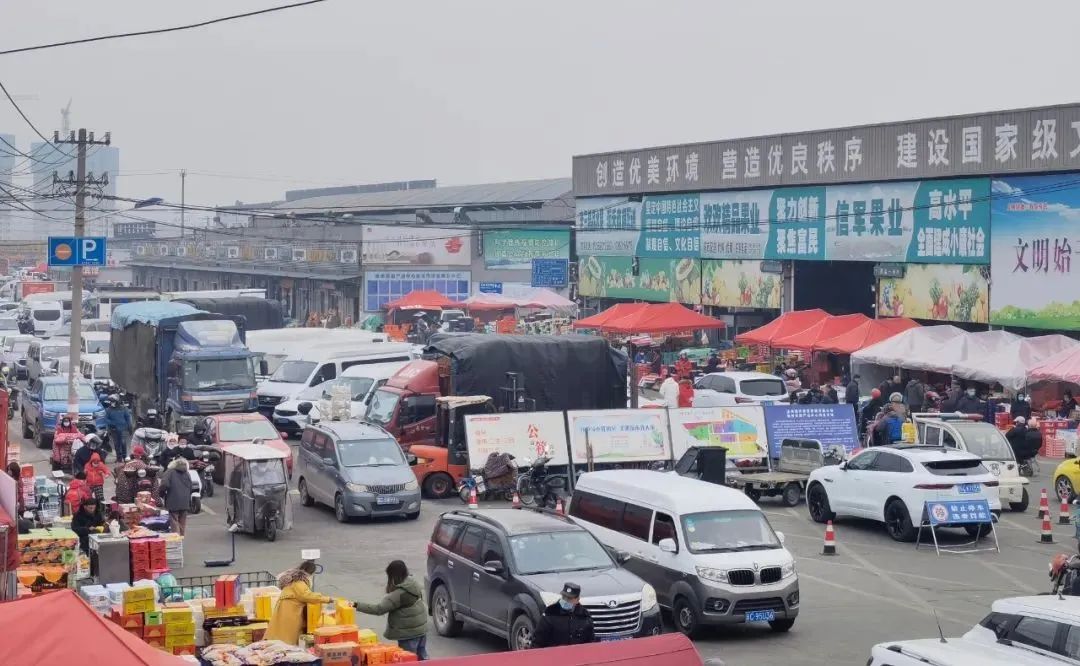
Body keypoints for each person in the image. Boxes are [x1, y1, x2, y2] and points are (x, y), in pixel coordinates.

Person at [353, 560, 428, 660]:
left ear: (393, 575)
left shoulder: (398, 595)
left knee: (408, 661)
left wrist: (355, 605)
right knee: (423, 658)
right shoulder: (413, 583)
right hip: (421, 631)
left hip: (408, 634)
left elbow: (378, 609)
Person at [265, 561, 332, 645]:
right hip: (291, 609)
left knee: (280, 630)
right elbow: (306, 596)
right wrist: (328, 599)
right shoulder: (299, 582)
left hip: (285, 607)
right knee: (288, 633)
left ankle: (279, 646)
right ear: (311, 573)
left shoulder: (292, 579)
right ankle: (287, 649)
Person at [534, 582, 595, 648]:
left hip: (578, 655)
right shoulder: (550, 613)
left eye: (569, 598)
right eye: (564, 597)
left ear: (577, 600)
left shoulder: (584, 616)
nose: (565, 600)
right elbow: (538, 641)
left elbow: (590, 642)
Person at [158, 457, 193, 535]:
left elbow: (164, 484)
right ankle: (181, 537)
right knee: (182, 521)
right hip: (185, 501)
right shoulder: (187, 473)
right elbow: (191, 486)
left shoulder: (170, 472)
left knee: (174, 521)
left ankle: (176, 539)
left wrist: (161, 494)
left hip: (173, 500)